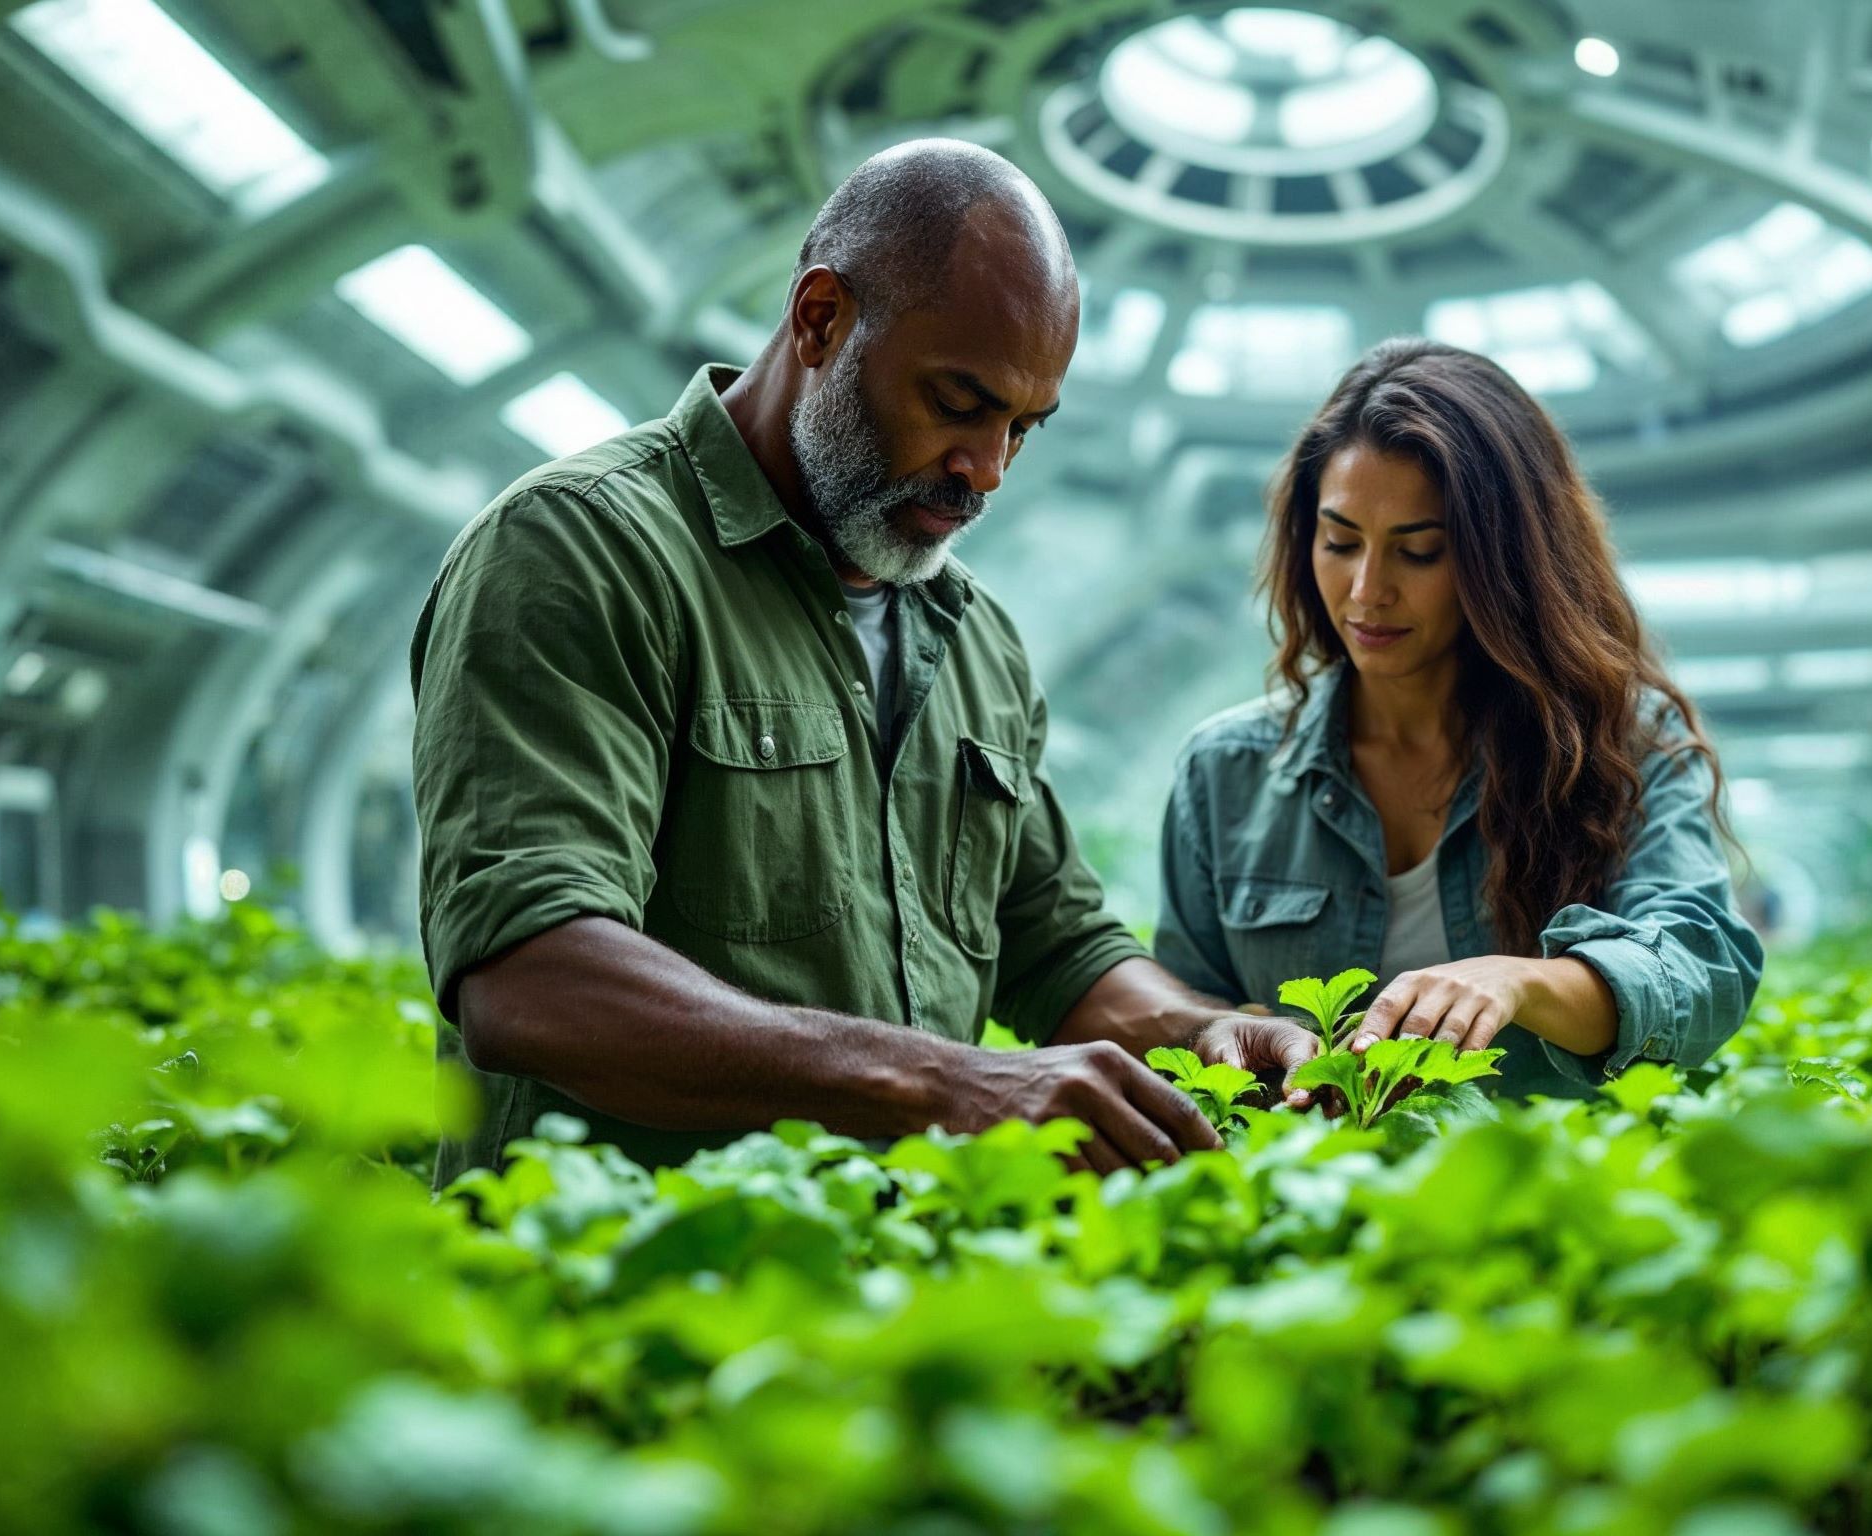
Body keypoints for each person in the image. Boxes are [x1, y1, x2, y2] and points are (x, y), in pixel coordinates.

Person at [409, 141, 1315, 1185]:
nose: (988, 469)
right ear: (822, 319)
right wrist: (944, 1086)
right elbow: (534, 982)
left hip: (885, 1307)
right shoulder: (580, 552)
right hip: (607, 1312)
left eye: (1024, 427)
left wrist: (1204, 1031)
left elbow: (1058, 948)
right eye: (959, 402)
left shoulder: (975, 642)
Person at [1156, 339, 1762, 1098]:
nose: (1367, 591)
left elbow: (1701, 965)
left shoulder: (1624, 746)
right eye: (1340, 542)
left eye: (1420, 553)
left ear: (1505, 561)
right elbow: (1181, 1018)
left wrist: (1526, 984)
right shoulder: (1225, 772)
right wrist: (1238, 1041)